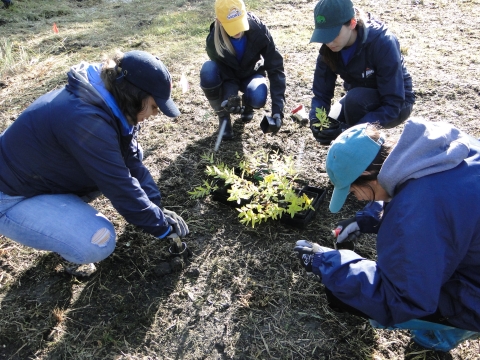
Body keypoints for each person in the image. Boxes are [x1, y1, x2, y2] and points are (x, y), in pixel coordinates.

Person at [294, 118, 480, 351]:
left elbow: (400, 297)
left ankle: (440, 336)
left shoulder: (416, 211)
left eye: (353, 191)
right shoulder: (439, 149)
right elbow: (445, 209)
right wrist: (367, 218)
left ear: (365, 173)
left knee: (352, 300)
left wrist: (328, 262)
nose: (358, 199)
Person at [0, 50, 189, 277]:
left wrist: (155, 206)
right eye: (154, 106)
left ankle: (60, 218)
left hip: (39, 177)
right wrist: (161, 226)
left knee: (132, 156)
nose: (156, 114)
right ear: (135, 95)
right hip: (9, 198)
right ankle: (71, 251)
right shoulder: (85, 119)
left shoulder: (108, 100)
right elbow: (118, 185)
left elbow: (129, 161)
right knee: (98, 240)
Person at [308, 0, 415, 145]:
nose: (329, 42)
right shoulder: (329, 50)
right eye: (324, 35)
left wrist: (350, 130)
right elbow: (321, 94)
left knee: (354, 102)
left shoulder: (382, 42)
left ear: (352, 23)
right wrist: (316, 119)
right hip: (359, 97)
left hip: (397, 102)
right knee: (331, 122)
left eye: (334, 34)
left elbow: (393, 103)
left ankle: (370, 155)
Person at [200, 0, 286, 139]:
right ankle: (223, 117)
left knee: (258, 97)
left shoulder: (259, 30)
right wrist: (230, 96)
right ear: (219, 21)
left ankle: (248, 105)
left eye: (239, 23)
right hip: (229, 77)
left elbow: (275, 67)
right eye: (231, 26)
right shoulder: (213, 41)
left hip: (251, 74)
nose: (238, 31)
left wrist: (277, 111)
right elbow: (224, 71)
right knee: (208, 71)